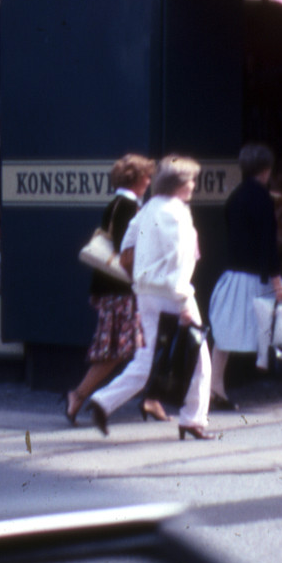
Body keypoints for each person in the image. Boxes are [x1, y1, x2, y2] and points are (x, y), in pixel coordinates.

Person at [86, 156, 217, 441]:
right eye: (191, 180)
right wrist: (183, 301)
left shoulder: (147, 210)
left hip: (145, 292)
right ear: (180, 184)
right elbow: (180, 259)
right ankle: (193, 420)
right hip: (173, 292)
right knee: (199, 359)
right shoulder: (178, 212)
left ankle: (103, 400)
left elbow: (126, 245)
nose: (194, 185)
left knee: (145, 359)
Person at [208, 144, 282, 410]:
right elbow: (267, 244)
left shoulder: (235, 196)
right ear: (267, 169)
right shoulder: (263, 199)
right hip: (260, 276)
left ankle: (215, 386)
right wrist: (276, 281)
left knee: (225, 332)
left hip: (234, 274)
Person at [65, 154, 158, 425]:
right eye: (147, 176)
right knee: (118, 351)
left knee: (142, 347)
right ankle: (79, 395)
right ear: (138, 179)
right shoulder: (128, 206)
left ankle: (153, 399)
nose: (150, 181)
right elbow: (125, 250)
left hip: (114, 289)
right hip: (121, 290)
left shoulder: (118, 204)